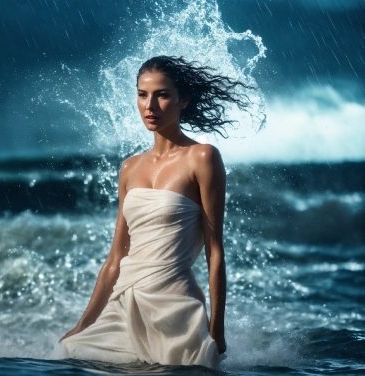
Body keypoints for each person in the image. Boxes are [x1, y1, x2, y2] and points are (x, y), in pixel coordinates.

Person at [59, 55, 252, 368]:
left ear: (183, 100)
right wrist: (83, 324)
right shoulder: (129, 168)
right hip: (123, 305)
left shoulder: (202, 157)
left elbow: (215, 252)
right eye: (142, 94)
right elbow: (115, 258)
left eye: (162, 95)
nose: (150, 106)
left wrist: (217, 329)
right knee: (69, 354)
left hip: (175, 310)